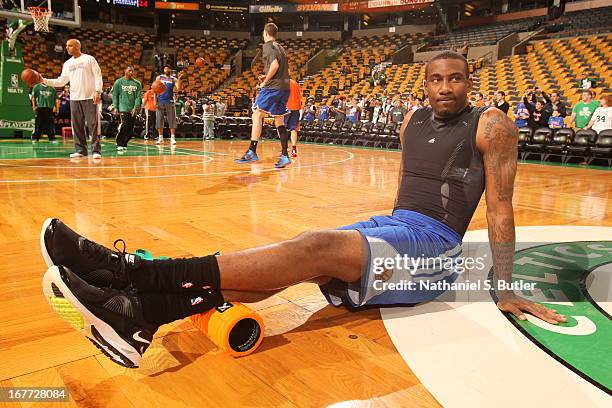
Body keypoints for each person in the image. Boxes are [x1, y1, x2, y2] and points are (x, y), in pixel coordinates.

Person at [41, 51, 565, 368]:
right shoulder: (412, 122)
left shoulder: (492, 123)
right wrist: (374, 243)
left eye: (455, 78)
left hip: (437, 249)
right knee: (301, 251)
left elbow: (499, 208)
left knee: (314, 247)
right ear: (423, 83)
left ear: (469, 81)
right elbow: (408, 192)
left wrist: (505, 284)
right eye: (436, 79)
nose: (445, 87)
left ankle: (131, 273)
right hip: (398, 227)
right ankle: (143, 317)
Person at [235, 23, 292, 169]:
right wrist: (267, 76)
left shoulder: (267, 46)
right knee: (279, 119)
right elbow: (279, 68)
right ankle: (285, 155)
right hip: (284, 87)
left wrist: (265, 82)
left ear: (265, 33)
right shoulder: (281, 47)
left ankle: (252, 152)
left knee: (257, 115)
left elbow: (274, 65)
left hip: (272, 87)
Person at [41, 39, 103, 159]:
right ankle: (80, 150)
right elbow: (62, 81)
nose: (67, 48)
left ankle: (96, 151)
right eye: (67, 46)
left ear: (78, 46)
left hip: (90, 96)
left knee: (93, 125)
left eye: (69, 45)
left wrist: (97, 91)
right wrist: (45, 81)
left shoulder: (89, 59)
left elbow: (98, 75)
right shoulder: (67, 64)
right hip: (74, 98)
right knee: (77, 125)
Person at [111, 66, 142, 152]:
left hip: (132, 108)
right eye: (129, 71)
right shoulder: (118, 82)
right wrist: (115, 107)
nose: (131, 72)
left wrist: (136, 107)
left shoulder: (137, 83)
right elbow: (115, 95)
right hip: (123, 107)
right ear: (125, 71)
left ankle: (124, 143)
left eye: (132, 71)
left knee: (130, 128)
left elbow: (138, 96)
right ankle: (119, 142)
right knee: (125, 124)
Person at [155, 65, 183, 145]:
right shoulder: (159, 78)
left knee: (172, 119)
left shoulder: (173, 79)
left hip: (170, 101)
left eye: (168, 68)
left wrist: (179, 79)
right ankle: (160, 138)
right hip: (160, 100)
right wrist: (155, 101)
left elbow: (178, 89)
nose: (167, 69)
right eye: (165, 68)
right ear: (164, 70)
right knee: (159, 119)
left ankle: (172, 138)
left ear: (170, 70)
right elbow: (154, 89)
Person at [285, 78, 302, 158]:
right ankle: (294, 149)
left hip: (286, 107)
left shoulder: (283, 82)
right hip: (296, 108)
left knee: (281, 128)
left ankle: (284, 147)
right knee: (293, 129)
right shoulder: (295, 83)